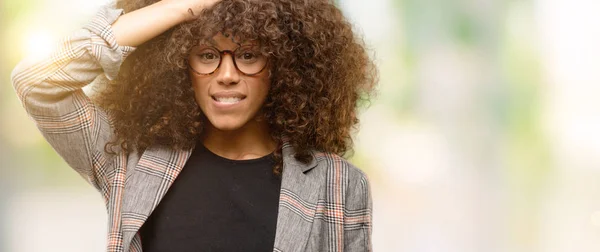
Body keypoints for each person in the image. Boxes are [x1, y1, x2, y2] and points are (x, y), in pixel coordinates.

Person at [11, 0, 377, 251]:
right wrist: (178, 7)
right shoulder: (128, 161)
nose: (227, 75)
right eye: (207, 55)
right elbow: (36, 83)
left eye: (248, 55)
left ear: (282, 65)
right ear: (178, 65)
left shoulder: (340, 184)